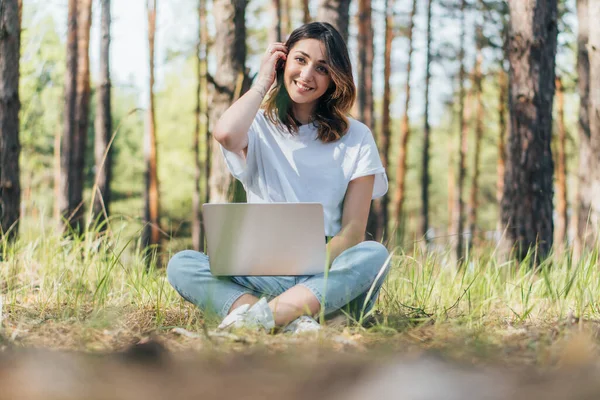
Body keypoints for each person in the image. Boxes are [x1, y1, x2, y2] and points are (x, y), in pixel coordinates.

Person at [167, 22, 391, 334]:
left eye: (322, 68)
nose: (307, 74)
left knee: (374, 255)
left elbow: (353, 231)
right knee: (182, 264)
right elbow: (225, 133)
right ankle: (289, 318)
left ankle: (257, 317)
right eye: (300, 60)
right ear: (283, 62)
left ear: (334, 78)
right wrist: (262, 84)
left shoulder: (356, 136)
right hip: (259, 268)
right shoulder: (256, 126)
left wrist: (310, 267)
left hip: (324, 273)